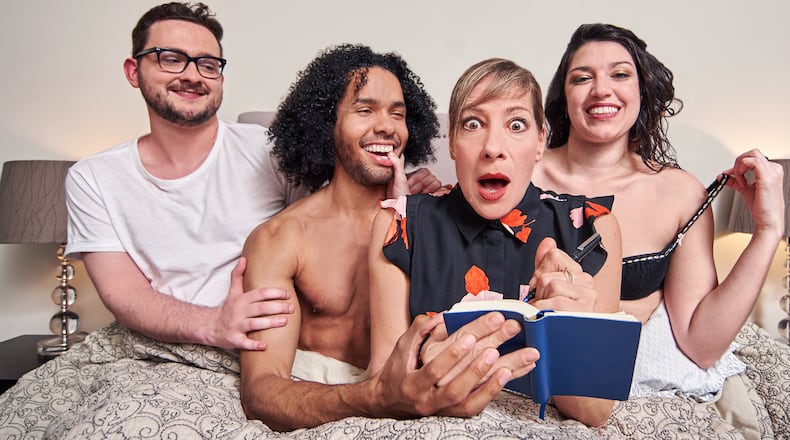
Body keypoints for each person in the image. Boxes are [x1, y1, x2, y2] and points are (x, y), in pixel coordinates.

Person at [64, 2, 442, 351]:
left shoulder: (268, 151)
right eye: (171, 59)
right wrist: (213, 324)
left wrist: (401, 200)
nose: (192, 75)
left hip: (257, 346)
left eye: (207, 64)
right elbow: (125, 295)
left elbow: (334, 215)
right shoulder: (93, 178)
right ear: (134, 71)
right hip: (154, 345)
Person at [239, 45, 536, 432]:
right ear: (326, 122)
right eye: (365, 110)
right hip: (319, 398)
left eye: (398, 113)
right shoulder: (279, 238)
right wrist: (375, 397)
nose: (386, 127)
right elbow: (262, 390)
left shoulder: (435, 220)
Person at [531, 23, 786, 401]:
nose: (601, 89)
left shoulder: (681, 193)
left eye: (620, 74)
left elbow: (700, 345)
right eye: (582, 78)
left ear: (642, 91)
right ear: (564, 98)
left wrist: (767, 230)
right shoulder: (520, 174)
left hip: (620, 392)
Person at [368, 58, 623, 427]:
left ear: (540, 141)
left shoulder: (593, 228)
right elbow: (381, 387)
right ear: (452, 142)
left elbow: (594, 413)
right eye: (473, 124)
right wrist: (430, 364)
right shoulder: (400, 225)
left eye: (516, 125)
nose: (492, 148)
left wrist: (571, 329)